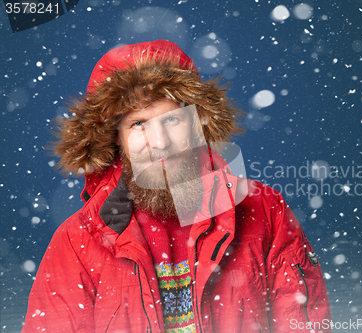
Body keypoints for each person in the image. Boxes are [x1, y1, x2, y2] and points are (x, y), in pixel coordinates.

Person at [22, 40, 331, 333]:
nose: (159, 143)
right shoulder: (77, 241)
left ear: (197, 122)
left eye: (171, 120)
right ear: (116, 137)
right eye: (138, 124)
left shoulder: (265, 211)